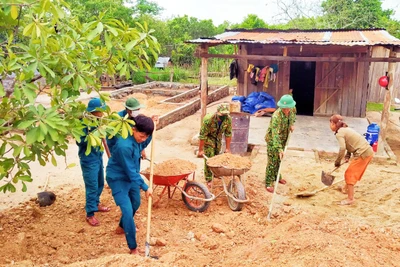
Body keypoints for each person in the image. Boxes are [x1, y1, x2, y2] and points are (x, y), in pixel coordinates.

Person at [106, 115, 154, 255]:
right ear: (133, 129)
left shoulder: (138, 139)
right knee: (127, 211)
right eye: (141, 135)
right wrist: (145, 187)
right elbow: (131, 172)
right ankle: (133, 248)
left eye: (146, 136)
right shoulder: (124, 146)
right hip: (118, 178)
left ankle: (122, 226)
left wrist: (154, 127)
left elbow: (143, 143)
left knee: (136, 202)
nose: (143, 139)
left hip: (131, 176)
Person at [77, 98, 111, 227]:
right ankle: (90, 213)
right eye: (100, 111)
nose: (102, 113)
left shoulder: (97, 121)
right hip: (88, 159)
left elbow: (104, 139)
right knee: (91, 186)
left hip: (97, 157)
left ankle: (96, 203)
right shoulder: (83, 124)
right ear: (94, 112)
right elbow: (81, 141)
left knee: (100, 183)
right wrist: (95, 133)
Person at [329, 114, 373, 205]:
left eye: (330, 123)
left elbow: (342, 148)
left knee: (349, 174)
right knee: (351, 172)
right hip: (366, 151)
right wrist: (347, 156)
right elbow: (350, 144)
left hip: (363, 153)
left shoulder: (339, 133)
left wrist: (337, 162)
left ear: (333, 123)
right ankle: (345, 189)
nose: (330, 126)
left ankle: (350, 199)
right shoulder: (345, 129)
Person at [264, 94, 296, 193]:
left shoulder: (293, 109)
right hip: (273, 140)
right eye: (284, 108)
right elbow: (275, 134)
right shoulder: (276, 116)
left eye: (288, 108)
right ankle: (268, 182)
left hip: (284, 138)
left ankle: (278, 176)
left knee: (279, 159)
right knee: (273, 160)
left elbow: (292, 118)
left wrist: (291, 125)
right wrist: (279, 149)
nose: (286, 110)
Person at [197, 103, 232, 186]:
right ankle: (209, 178)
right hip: (208, 138)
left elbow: (228, 134)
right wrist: (200, 150)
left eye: (225, 114)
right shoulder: (208, 119)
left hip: (218, 139)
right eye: (222, 114)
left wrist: (227, 149)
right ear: (217, 112)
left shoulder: (228, 119)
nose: (223, 116)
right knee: (210, 157)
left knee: (216, 156)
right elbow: (202, 135)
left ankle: (216, 173)